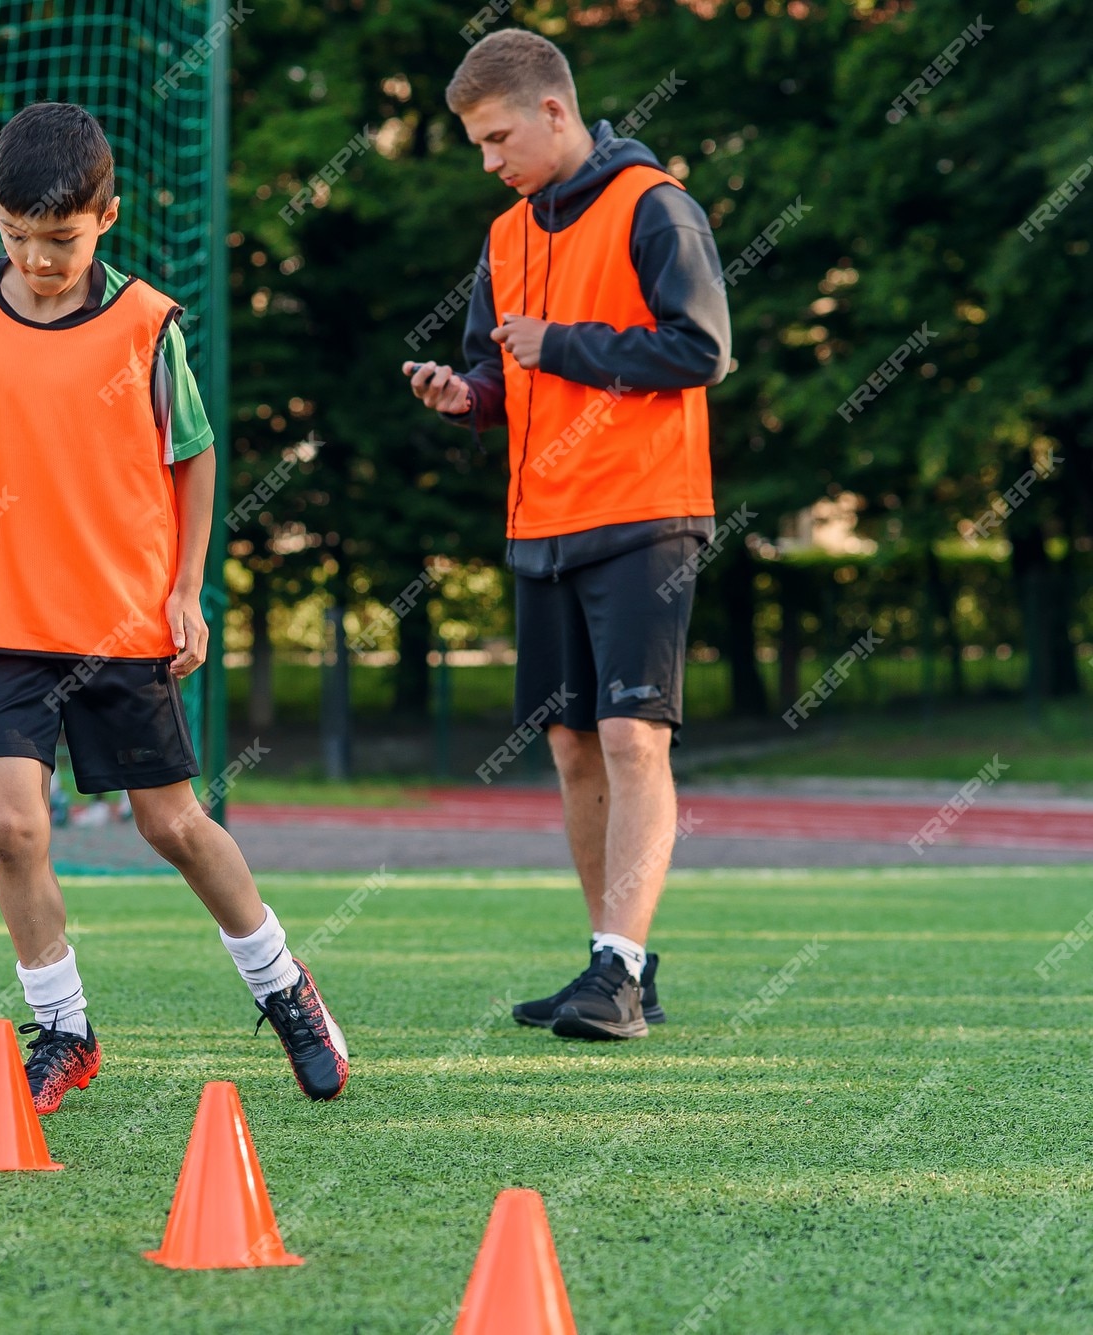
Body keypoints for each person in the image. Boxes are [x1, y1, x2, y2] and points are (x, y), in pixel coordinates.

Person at [0, 102, 348, 1108]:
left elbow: (194, 453)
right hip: (6, 621)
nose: (37, 260)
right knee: (10, 825)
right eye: (16, 238)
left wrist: (183, 590)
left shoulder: (144, 323)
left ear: (107, 217)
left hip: (120, 622)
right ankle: (63, 1028)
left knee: (170, 826)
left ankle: (282, 989)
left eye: (60, 240)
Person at [406, 31, 731, 1040]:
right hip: (540, 522)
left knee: (635, 738)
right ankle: (613, 961)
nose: (489, 161)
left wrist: (564, 346)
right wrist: (460, 395)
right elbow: (500, 377)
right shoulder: (503, 239)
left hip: (643, 511)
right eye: (476, 145)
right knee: (569, 745)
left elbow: (700, 348)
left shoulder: (654, 206)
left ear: (555, 111)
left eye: (497, 138)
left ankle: (619, 971)